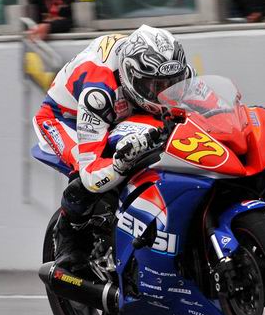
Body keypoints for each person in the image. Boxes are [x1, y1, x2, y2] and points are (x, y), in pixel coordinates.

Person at [32, 25, 193, 263]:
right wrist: (120, 163)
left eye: (173, 84)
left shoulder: (173, 70)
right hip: (65, 118)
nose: (166, 93)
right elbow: (91, 174)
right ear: (132, 77)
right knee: (86, 174)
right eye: (157, 87)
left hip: (121, 107)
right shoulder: (98, 92)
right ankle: (69, 239)